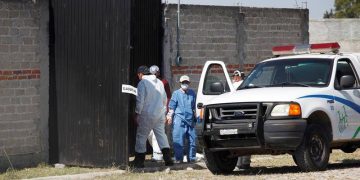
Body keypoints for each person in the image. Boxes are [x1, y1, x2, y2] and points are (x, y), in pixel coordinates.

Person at [130, 65, 173, 168]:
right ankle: (168, 159)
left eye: (138, 75)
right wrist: (163, 112)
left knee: (141, 136)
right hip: (159, 114)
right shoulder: (159, 82)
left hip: (147, 114)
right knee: (161, 135)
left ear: (141, 74)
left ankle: (139, 161)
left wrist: (137, 113)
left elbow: (140, 101)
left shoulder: (142, 83)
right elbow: (165, 100)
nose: (138, 77)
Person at [166, 75, 197, 163]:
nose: (185, 84)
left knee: (192, 140)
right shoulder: (176, 93)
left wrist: (196, 118)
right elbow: (172, 107)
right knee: (178, 140)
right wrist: (169, 117)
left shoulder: (192, 93)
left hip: (190, 120)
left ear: (189, 83)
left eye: (186, 82)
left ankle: (191, 158)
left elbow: (194, 107)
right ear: (180, 83)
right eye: (183, 83)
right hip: (179, 119)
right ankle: (179, 159)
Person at [147, 65, 172, 161]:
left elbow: (168, 97)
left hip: (160, 111)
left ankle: (157, 154)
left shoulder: (164, 82)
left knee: (157, 132)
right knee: (149, 133)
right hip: (149, 111)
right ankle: (157, 152)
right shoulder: (147, 82)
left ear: (158, 73)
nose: (154, 75)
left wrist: (167, 112)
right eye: (152, 73)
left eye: (155, 73)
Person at [232, 70, 251, 170]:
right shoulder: (246, 85)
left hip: (240, 115)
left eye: (237, 76)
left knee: (241, 138)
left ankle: (242, 163)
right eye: (234, 76)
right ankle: (243, 163)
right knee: (242, 138)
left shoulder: (238, 85)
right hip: (239, 114)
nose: (235, 77)